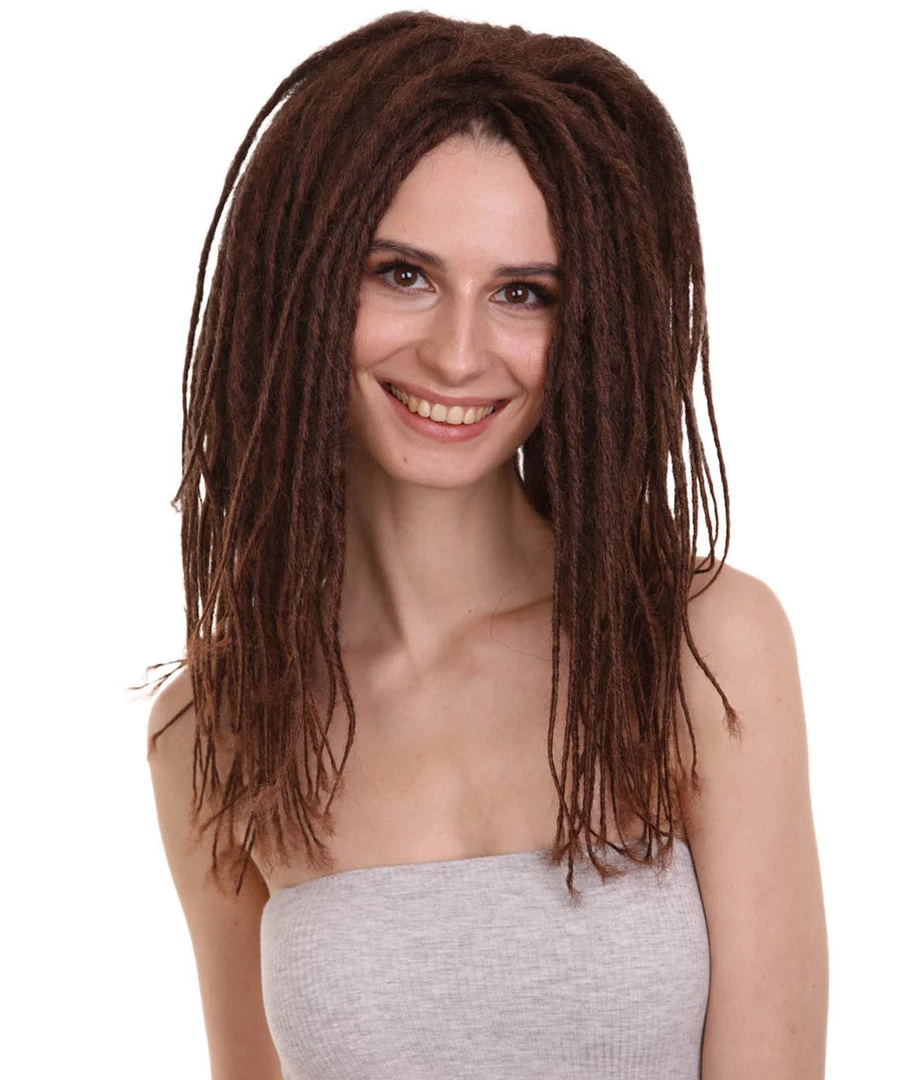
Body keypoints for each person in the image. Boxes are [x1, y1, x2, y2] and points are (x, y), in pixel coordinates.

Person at [145, 10, 828, 1079]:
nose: (458, 354)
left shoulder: (696, 646)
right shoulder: (220, 724)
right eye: (401, 274)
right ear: (301, 282)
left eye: (522, 293)